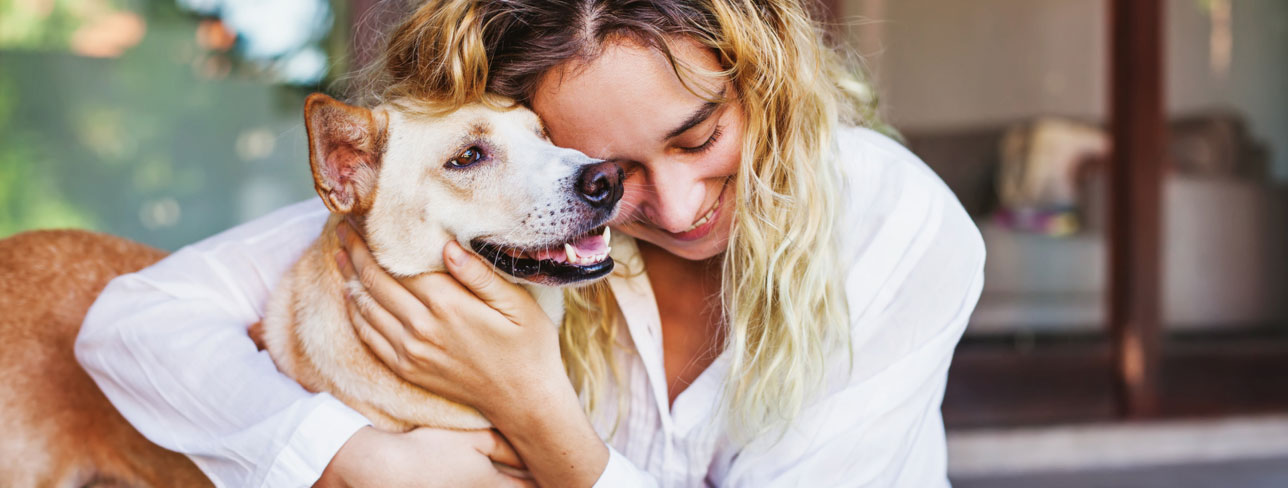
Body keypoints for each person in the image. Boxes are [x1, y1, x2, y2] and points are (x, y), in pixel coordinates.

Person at [75, 0, 985, 486]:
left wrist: (534, 405)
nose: (672, 207)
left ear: (764, 79)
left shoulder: (891, 220)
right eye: (603, 171)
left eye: (700, 136)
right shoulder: (513, 202)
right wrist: (357, 463)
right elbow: (133, 325)